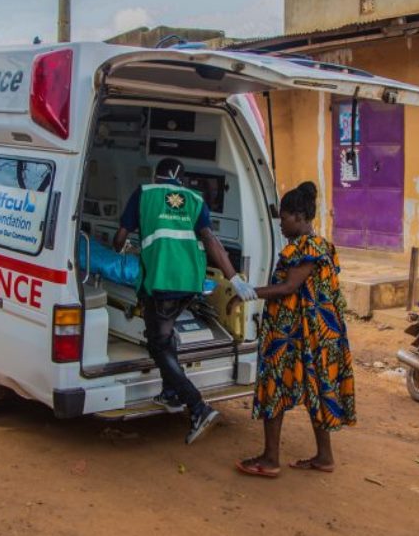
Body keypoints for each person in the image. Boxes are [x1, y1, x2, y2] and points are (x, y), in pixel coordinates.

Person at [112, 157, 257, 444]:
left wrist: (123, 247)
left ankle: (197, 407)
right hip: (190, 283)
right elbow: (211, 240)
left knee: (158, 344)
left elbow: (120, 238)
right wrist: (235, 279)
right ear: (182, 179)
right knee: (166, 337)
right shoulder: (194, 199)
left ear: (157, 175)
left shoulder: (144, 194)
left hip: (162, 281)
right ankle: (170, 392)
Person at [234, 182, 355, 477]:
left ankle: (270, 458)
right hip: (321, 334)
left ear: (300, 217)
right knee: (317, 388)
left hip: (296, 333)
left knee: (274, 384)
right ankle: (324, 456)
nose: (281, 225)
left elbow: (289, 287)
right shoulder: (323, 245)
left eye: (284, 218)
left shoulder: (305, 248)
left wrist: (247, 292)